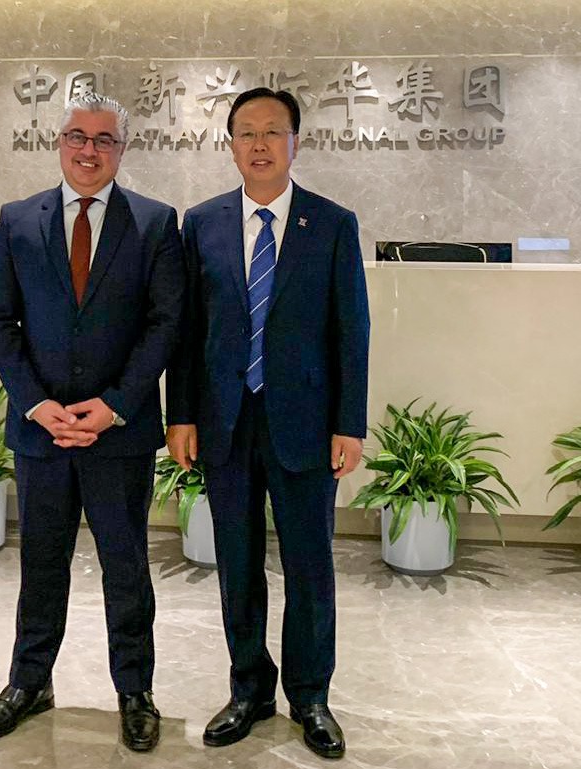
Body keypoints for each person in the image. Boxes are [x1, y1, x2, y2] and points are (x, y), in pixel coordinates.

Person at [0, 92, 184, 752]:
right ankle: (28, 682)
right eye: (76, 137)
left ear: (122, 149)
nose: (88, 150)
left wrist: (115, 403)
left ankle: (135, 690)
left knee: (126, 568)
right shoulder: (17, 220)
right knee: (41, 564)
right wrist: (36, 403)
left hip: (118, 433)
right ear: (59, 143)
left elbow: (165, 323)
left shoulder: (155, 223)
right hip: (42, 432)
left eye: (103, 139)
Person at [166, 87, 370, 760]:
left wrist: (349, 423)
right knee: (237, 561)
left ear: (295, 143)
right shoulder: (201, 223)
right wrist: (181, 414)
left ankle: (310, 695)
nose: (259, 144)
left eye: (272, 131)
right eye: (246, 132)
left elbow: (351, 330)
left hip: (305, 423)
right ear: (231, 145)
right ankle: (249, 688)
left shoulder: (332, 223)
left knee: (310, 564)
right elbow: (187, 330)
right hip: (225, 420)